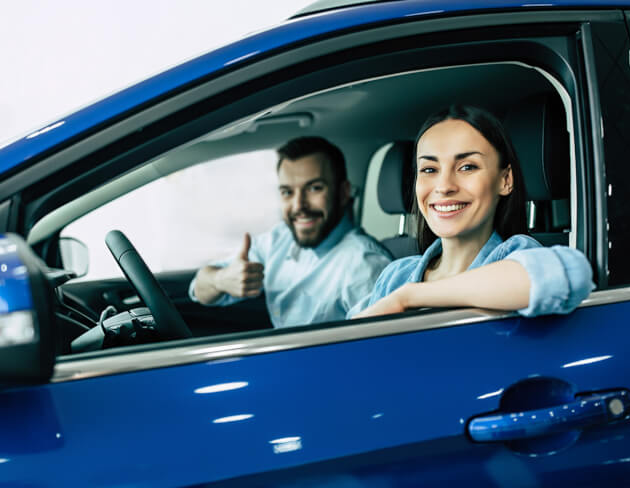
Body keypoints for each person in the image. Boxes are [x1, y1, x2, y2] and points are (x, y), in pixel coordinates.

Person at [352, 105, 593, 319]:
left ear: (505, 179)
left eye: (467, 167)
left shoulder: (516, 255)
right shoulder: (396, 275)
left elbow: (567, 274)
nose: (444, 186)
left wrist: (410, 297)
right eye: (429, 169)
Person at [190, 136, 392, 327]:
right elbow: (198, 289)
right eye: (287, 192)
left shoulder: (365, 265)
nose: (298, 206)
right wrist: (221, 279)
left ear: (343, 192)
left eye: (314, 188)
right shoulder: (279, 240)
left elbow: (379, 353)